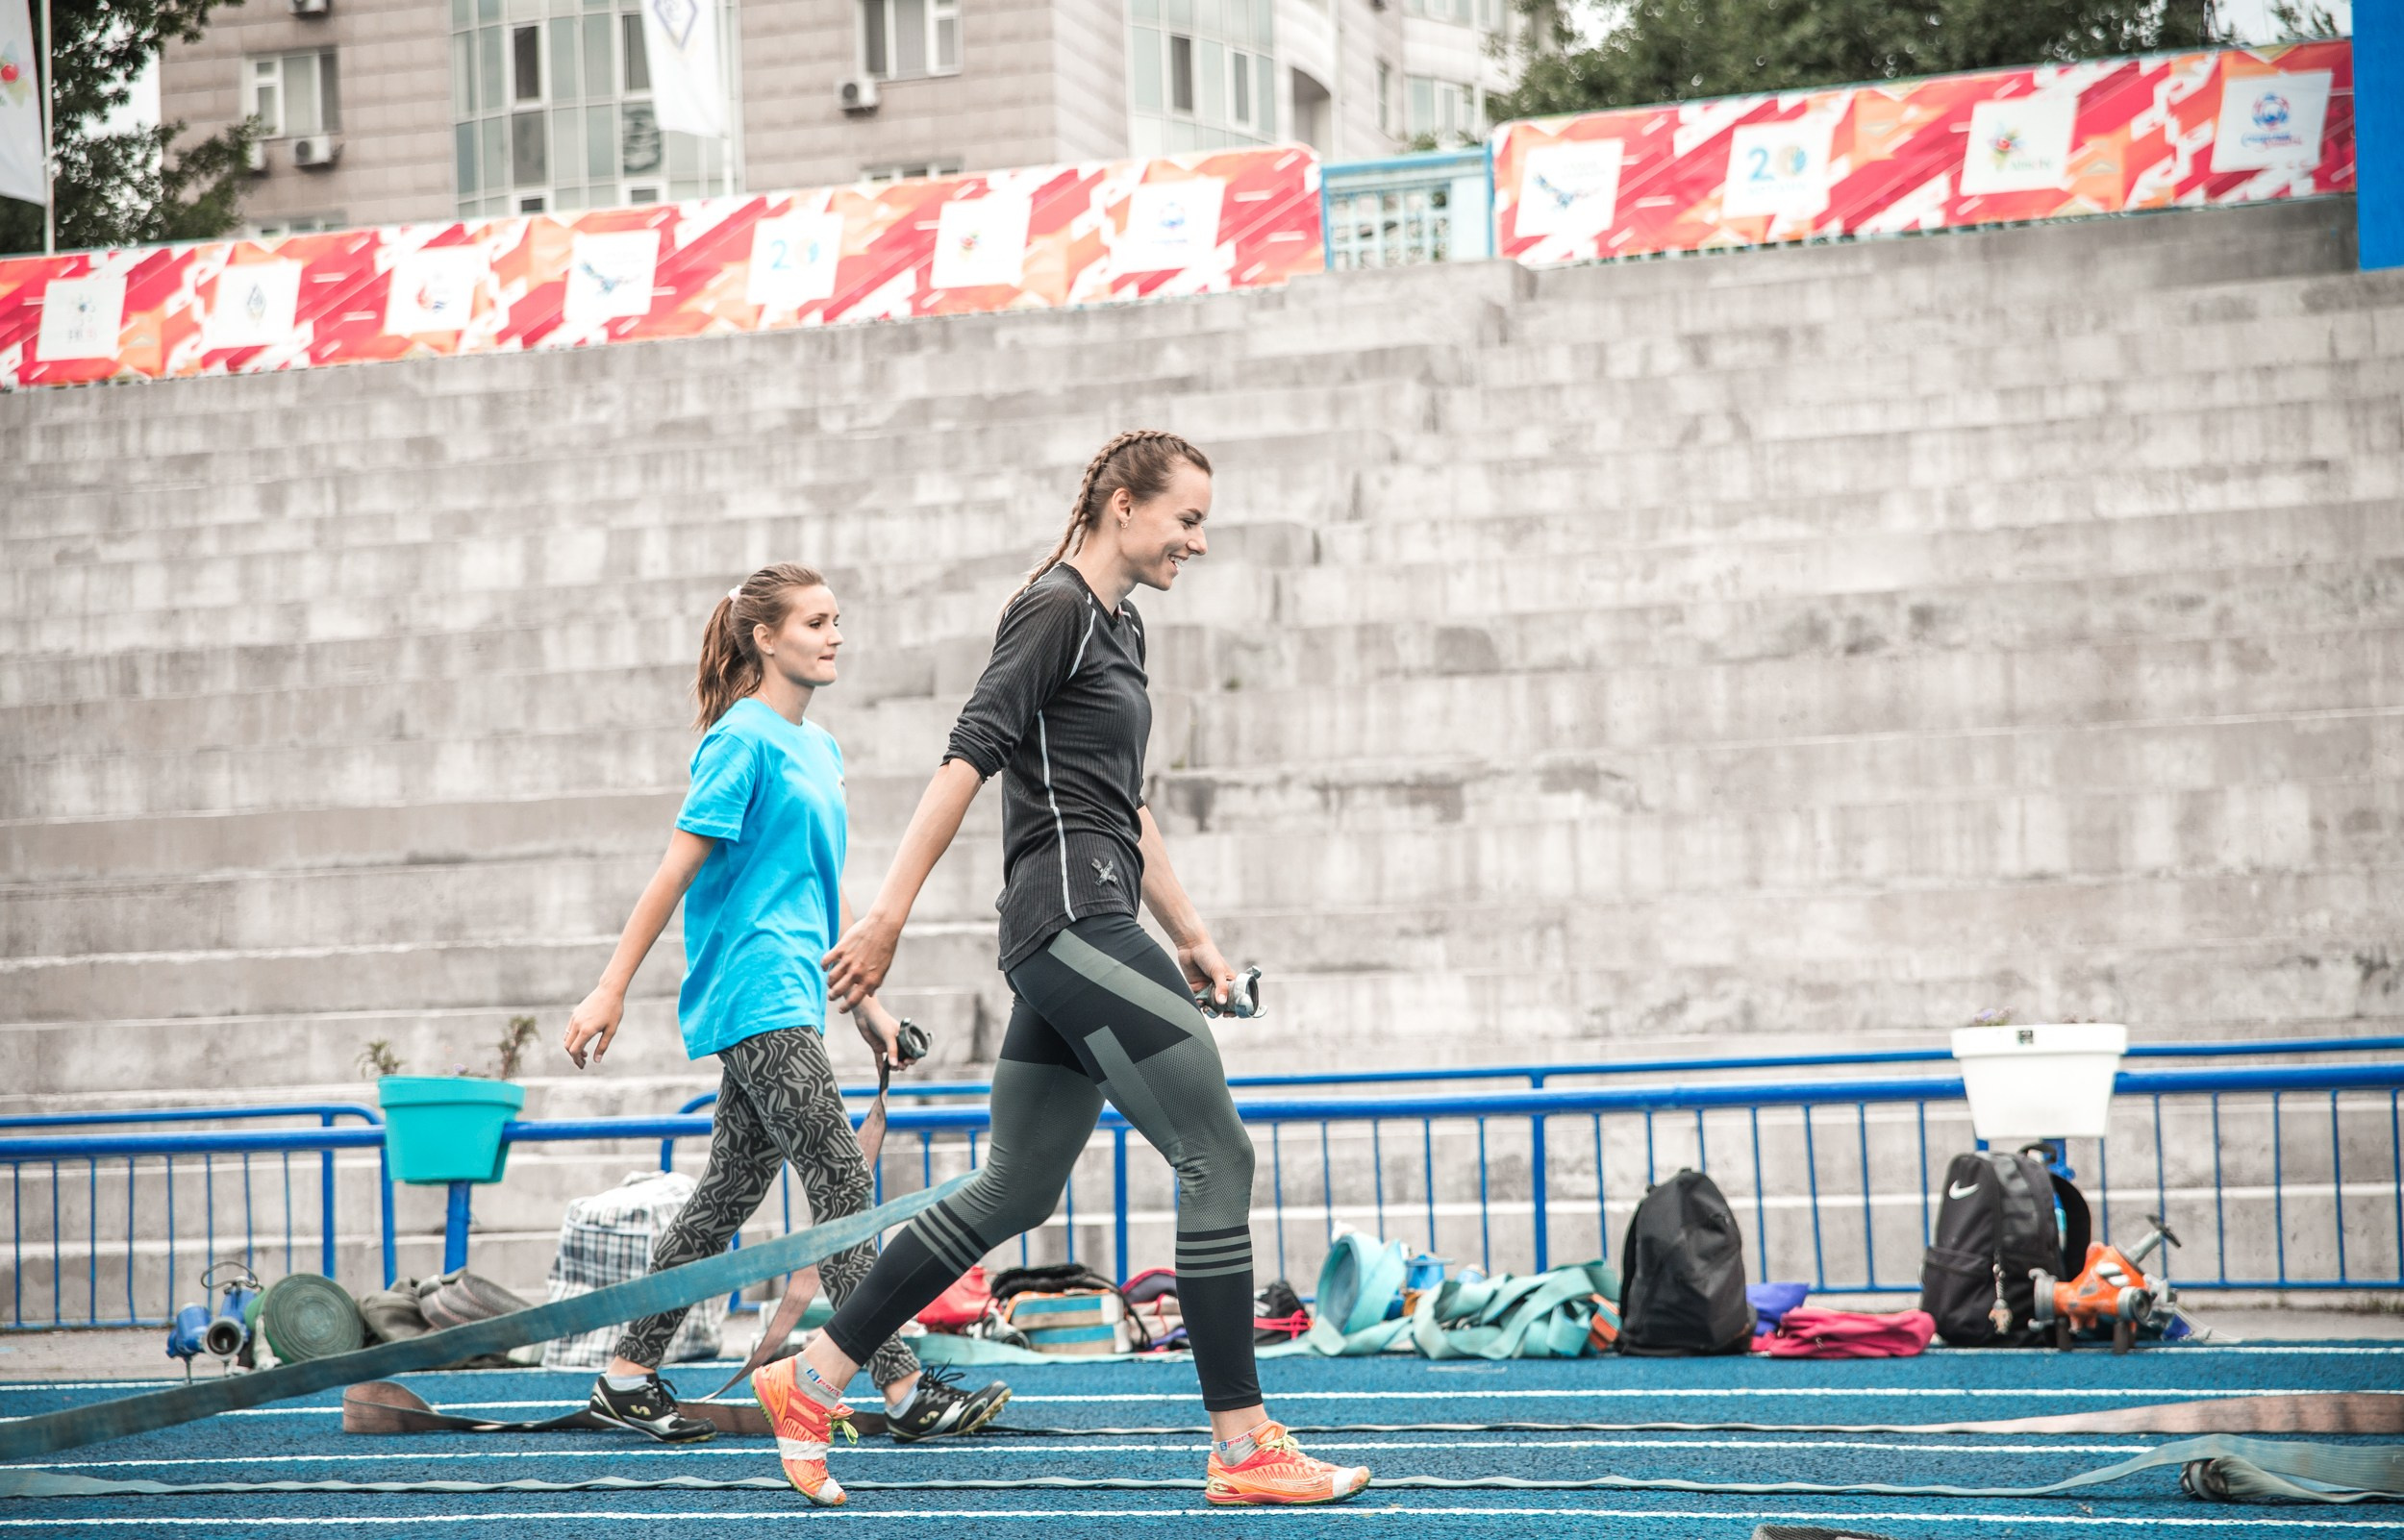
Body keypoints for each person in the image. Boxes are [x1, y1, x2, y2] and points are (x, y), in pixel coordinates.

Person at [749, 432, 1374, 1508]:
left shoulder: (1120, 627)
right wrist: (888, 916)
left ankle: (812, 1378)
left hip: (1086, 922)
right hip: (1070, 926)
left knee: (1017, 1185)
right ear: (1122, 507)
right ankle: (1242, 1447)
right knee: (1216, 1157)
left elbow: (1125, 805)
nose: (1200, 540)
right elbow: (967, 754)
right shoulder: (1054, 608)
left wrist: (1191, 937)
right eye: (1186, 519)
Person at [559, 562, 1011, 1446]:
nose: (834, 634)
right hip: (753, 990)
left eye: (837, 619)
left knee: (725, 1194)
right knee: (842, 1181)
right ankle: (904, 1385)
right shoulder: (742, 740)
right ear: (765, 639)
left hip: (797, 991)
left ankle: (625, 1372)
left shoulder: (820, 747)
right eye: (814, 622)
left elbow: (817, 889)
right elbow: (674, 871)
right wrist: (610, 984)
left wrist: (869, 1007)